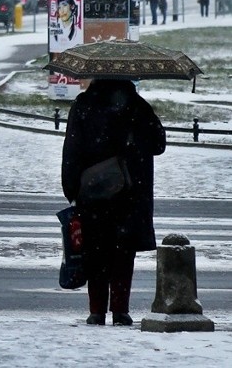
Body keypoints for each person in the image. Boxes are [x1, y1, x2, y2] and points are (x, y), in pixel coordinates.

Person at [61, 79, 166, 327]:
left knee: (95, 252)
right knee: (123, 254)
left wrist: (72, 188)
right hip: (129, 193)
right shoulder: (138, 106)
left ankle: (96, 311)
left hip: (92, 193)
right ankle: (120, 310)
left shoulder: (84, 105)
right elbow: (158, 145)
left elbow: (72, 148)